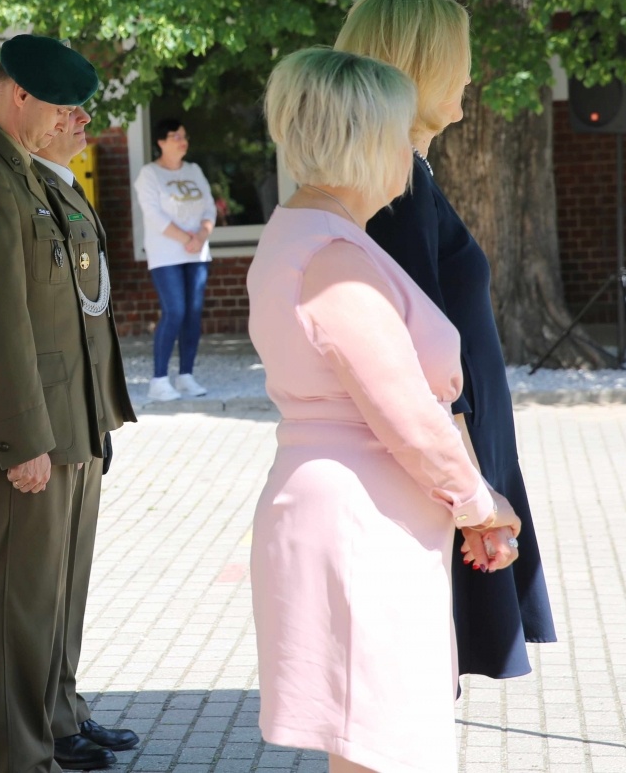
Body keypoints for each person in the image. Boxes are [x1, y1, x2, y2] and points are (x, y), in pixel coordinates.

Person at [248, 46, 521, 773]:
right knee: (391, 745)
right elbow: (402, 407)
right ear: (366, 141)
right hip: (363, 520)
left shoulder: (310, 235)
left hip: (358, 510)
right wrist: (479, 501)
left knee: (371, 743)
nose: (410, 153)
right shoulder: (332, 253)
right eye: (400, 135)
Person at [339, 0, 556, 679]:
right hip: (435, 478)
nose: (469, 73)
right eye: (458, 58)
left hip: (451, 470)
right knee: (417, 685)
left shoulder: (408, 173)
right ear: (416, 64)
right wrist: (469, 493)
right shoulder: (395, 182)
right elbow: (416, 357)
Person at [0, 34, 118, 773]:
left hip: (60, 421)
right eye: (60, 108)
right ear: (17, 95)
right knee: (16, 601)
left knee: (49, 596)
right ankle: (16, 756)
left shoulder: (24, 174)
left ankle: (47, 726)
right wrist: (23, 439)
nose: (70, 122)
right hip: (21, 435)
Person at [31, 104, 139, 761]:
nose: (83, 122)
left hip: (85, 407)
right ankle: (47, 718)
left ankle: (67, 702)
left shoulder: (65, 186)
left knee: (72, 575)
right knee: (43, 581)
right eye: (67, 112)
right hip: (50, 413)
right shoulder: (25, 187)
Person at [133, 118, 216, 403]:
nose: (183, 140)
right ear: (161, 142)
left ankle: (186, 376)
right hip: (166, 254)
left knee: (193, 313)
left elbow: (209, 206)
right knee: (175, 311)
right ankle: (158, 380)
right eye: (175, 136)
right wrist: (188, 239)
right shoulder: (149, 174)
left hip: (197, 252)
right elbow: (154, 216)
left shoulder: (194, 170)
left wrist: (202, 236)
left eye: (184, 135)